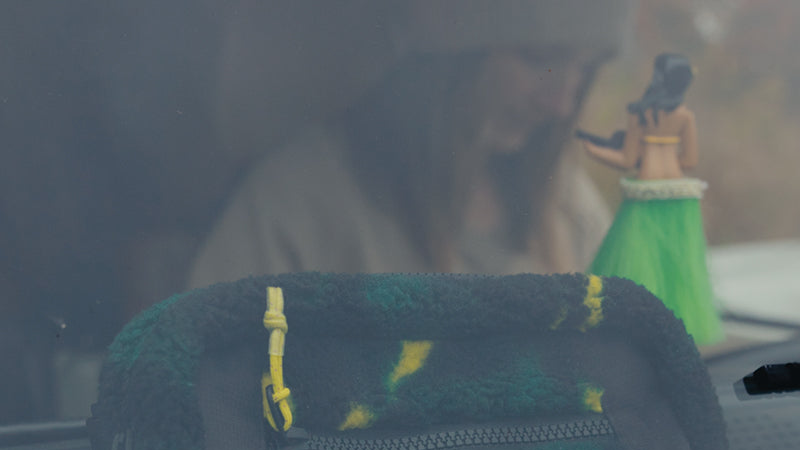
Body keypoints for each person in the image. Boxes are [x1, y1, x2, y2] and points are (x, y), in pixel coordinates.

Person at [188, 0, 632, 287]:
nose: (561, 103)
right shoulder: (300, 204)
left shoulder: (566, 203)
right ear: (447, 57)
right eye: (540, 59)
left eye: (585, 68)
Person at [581, 52, 722, 346]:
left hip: (644, 191)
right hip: (679, 193)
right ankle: (672, 336)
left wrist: (593, 150)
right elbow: (690, 160)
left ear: (657, 78)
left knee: (637, 264)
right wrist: (667, 157)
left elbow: (626, 160)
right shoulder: (685, 117)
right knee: (678, 267)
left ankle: (637, 334)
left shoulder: (641, 113)